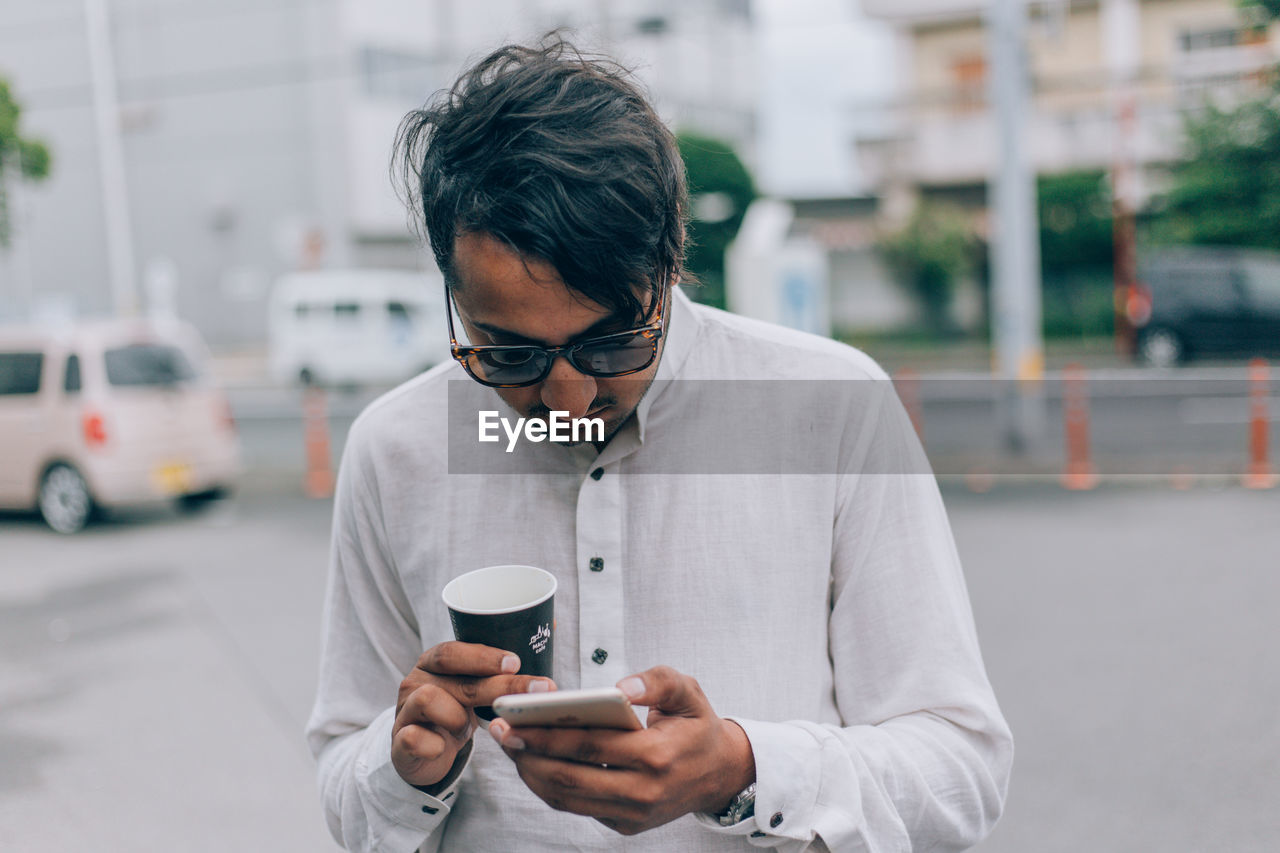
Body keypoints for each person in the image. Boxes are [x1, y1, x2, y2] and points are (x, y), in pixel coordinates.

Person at [305, 37, 1012, 852]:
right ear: (451, 294)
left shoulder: (829, 407)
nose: (568, 396)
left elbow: (963, 770)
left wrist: (744, 767)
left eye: (612, 344)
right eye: (510, 353)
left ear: (673, 263)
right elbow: (342, 768)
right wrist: (405, 770)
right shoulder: (394, 448)